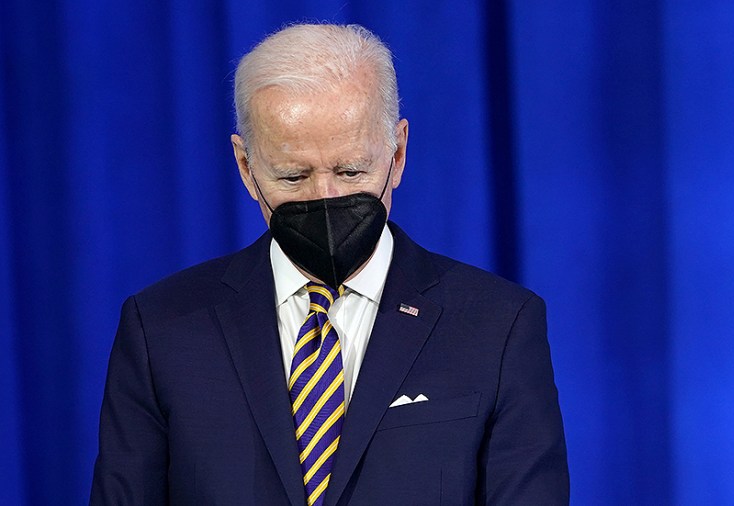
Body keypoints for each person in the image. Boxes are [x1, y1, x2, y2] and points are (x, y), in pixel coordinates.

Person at [90, 23, 568, 506]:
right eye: (293, 176)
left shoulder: (498, 325)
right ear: (245, 166)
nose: (325, 197)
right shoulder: (161, 329)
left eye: (350, 171)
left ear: (397, 154)